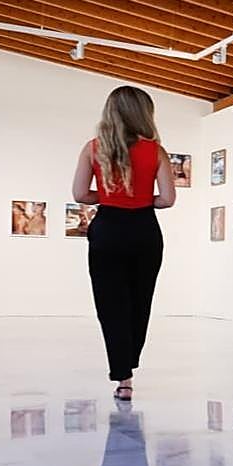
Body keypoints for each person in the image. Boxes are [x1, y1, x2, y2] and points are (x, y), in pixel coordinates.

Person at [72, 86, 176, 401]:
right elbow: (168, 200)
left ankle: (123, 378)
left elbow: (80, 195)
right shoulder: (156, 151)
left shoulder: (93, 148)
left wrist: (107, 197)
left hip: (107, 230)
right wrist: (142, 200)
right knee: (139, 301)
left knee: (110, 304)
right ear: (145, 114)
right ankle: (131, 360)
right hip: (144, 229)